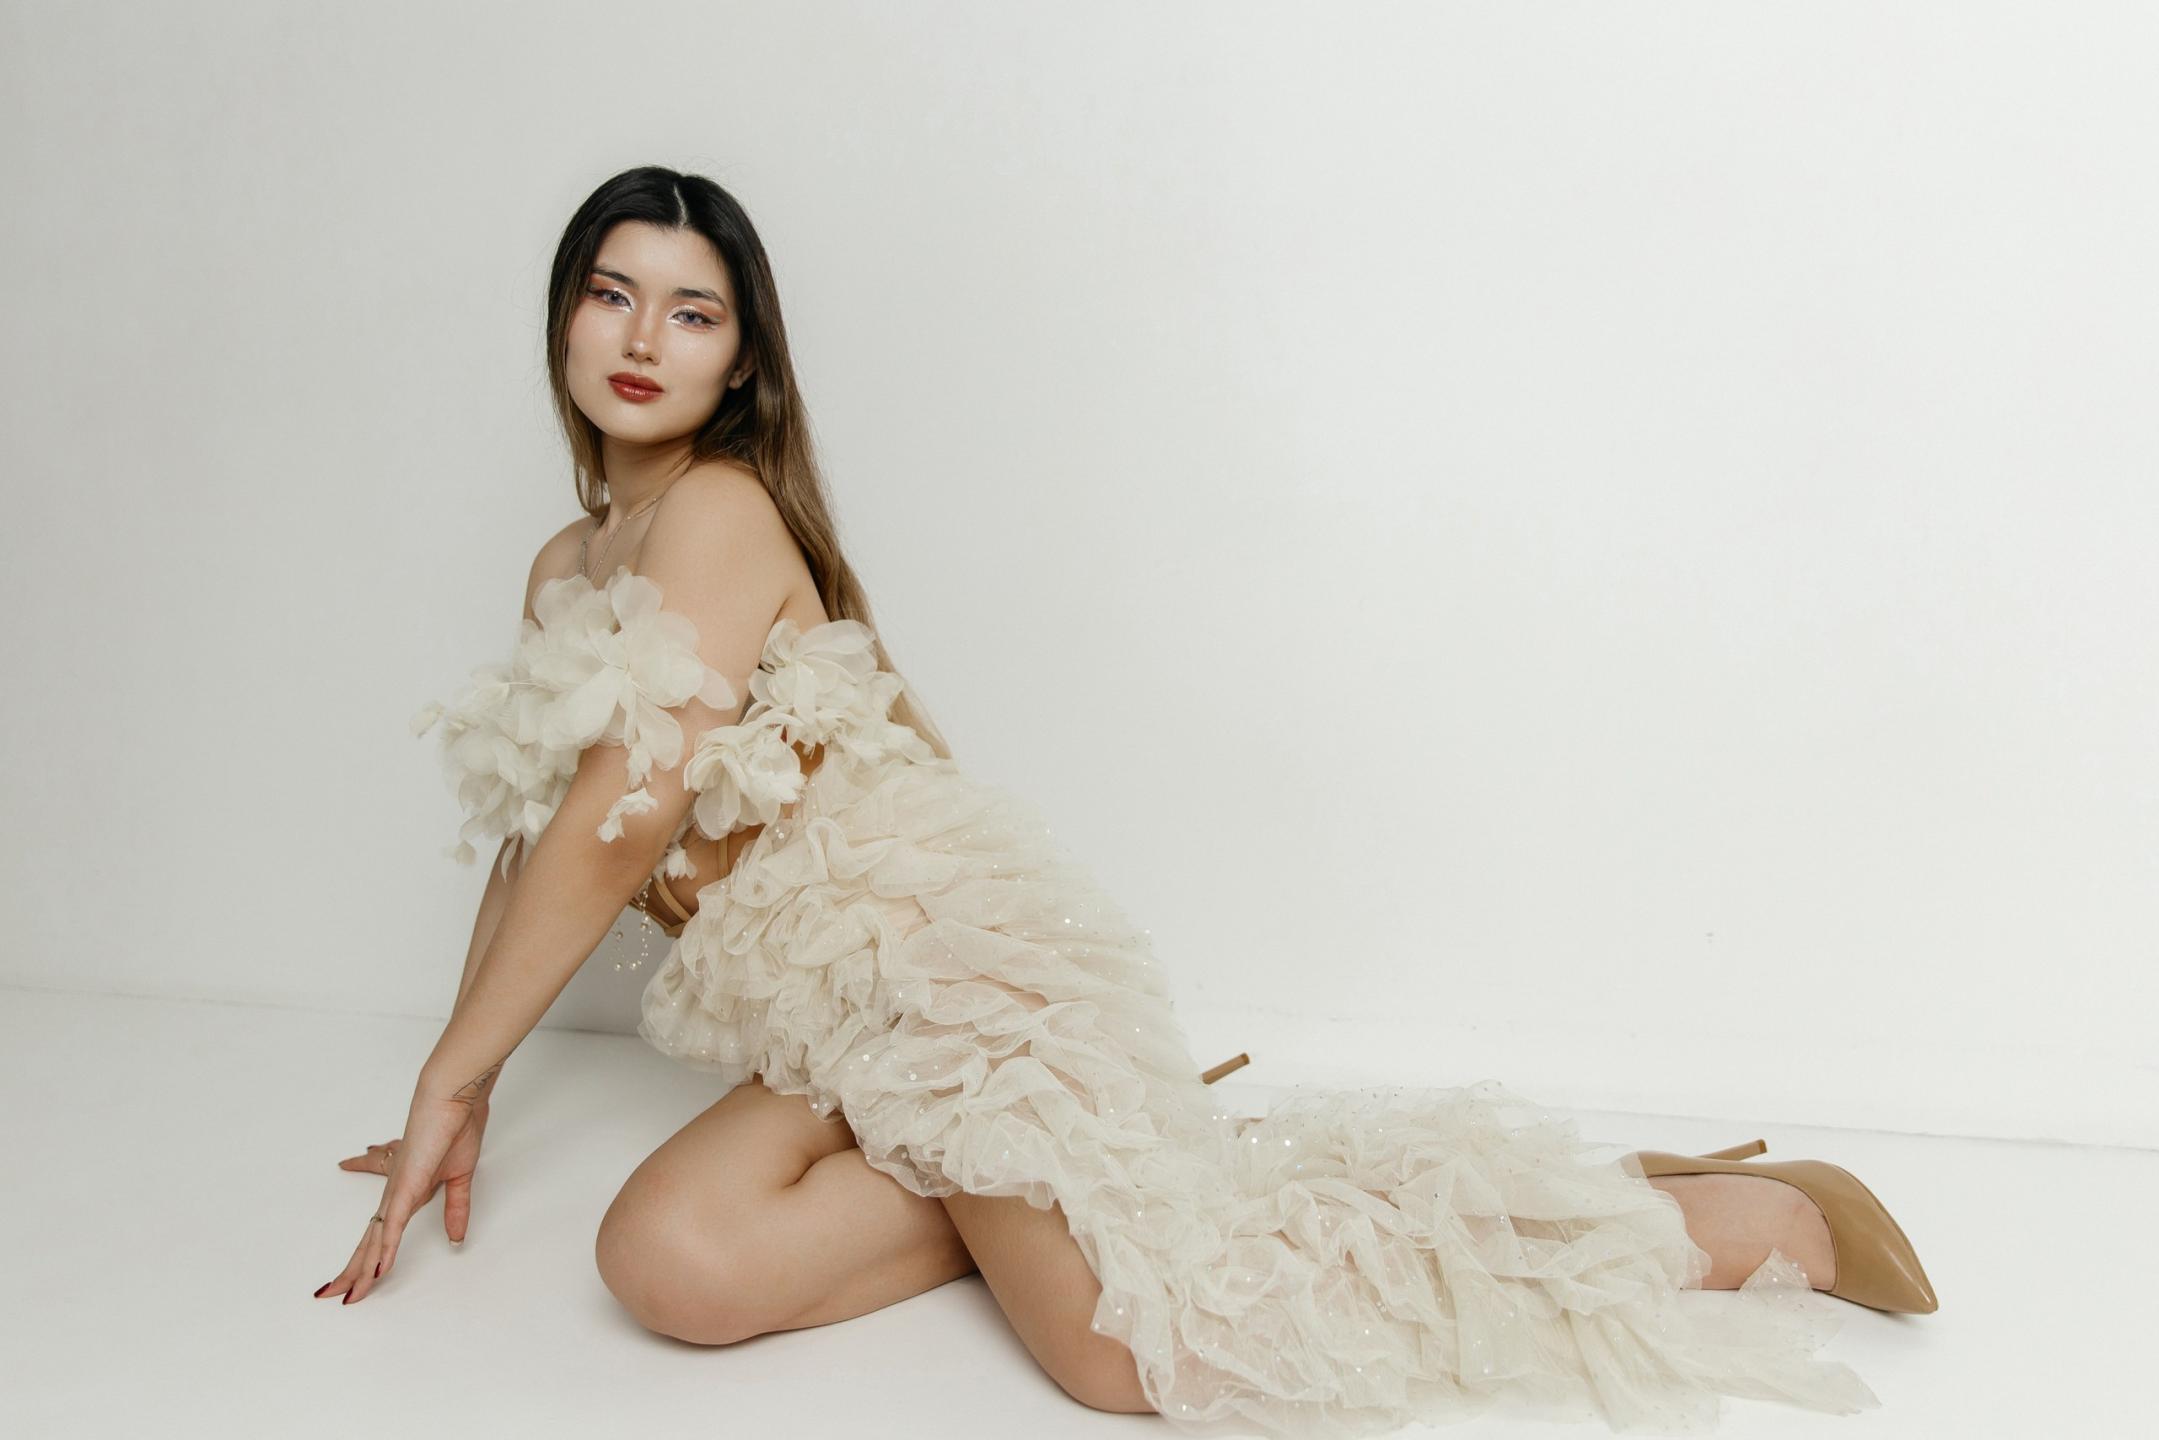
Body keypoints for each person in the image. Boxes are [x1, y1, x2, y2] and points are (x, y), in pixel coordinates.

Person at [320, 165, 1935, 1436]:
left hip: (947, 979)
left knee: (1135, 1356)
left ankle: (1733, 1221)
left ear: (741, 360)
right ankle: (1133, 1171)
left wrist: (456, 1072)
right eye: (612, 295)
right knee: (667, 1263)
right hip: (831, 1031)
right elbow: (540, 829)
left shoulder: (721, 510)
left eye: (692, 313)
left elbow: (624, 812)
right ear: (563, 316)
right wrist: (460, 1081)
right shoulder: (567, 565)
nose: (640, 339)